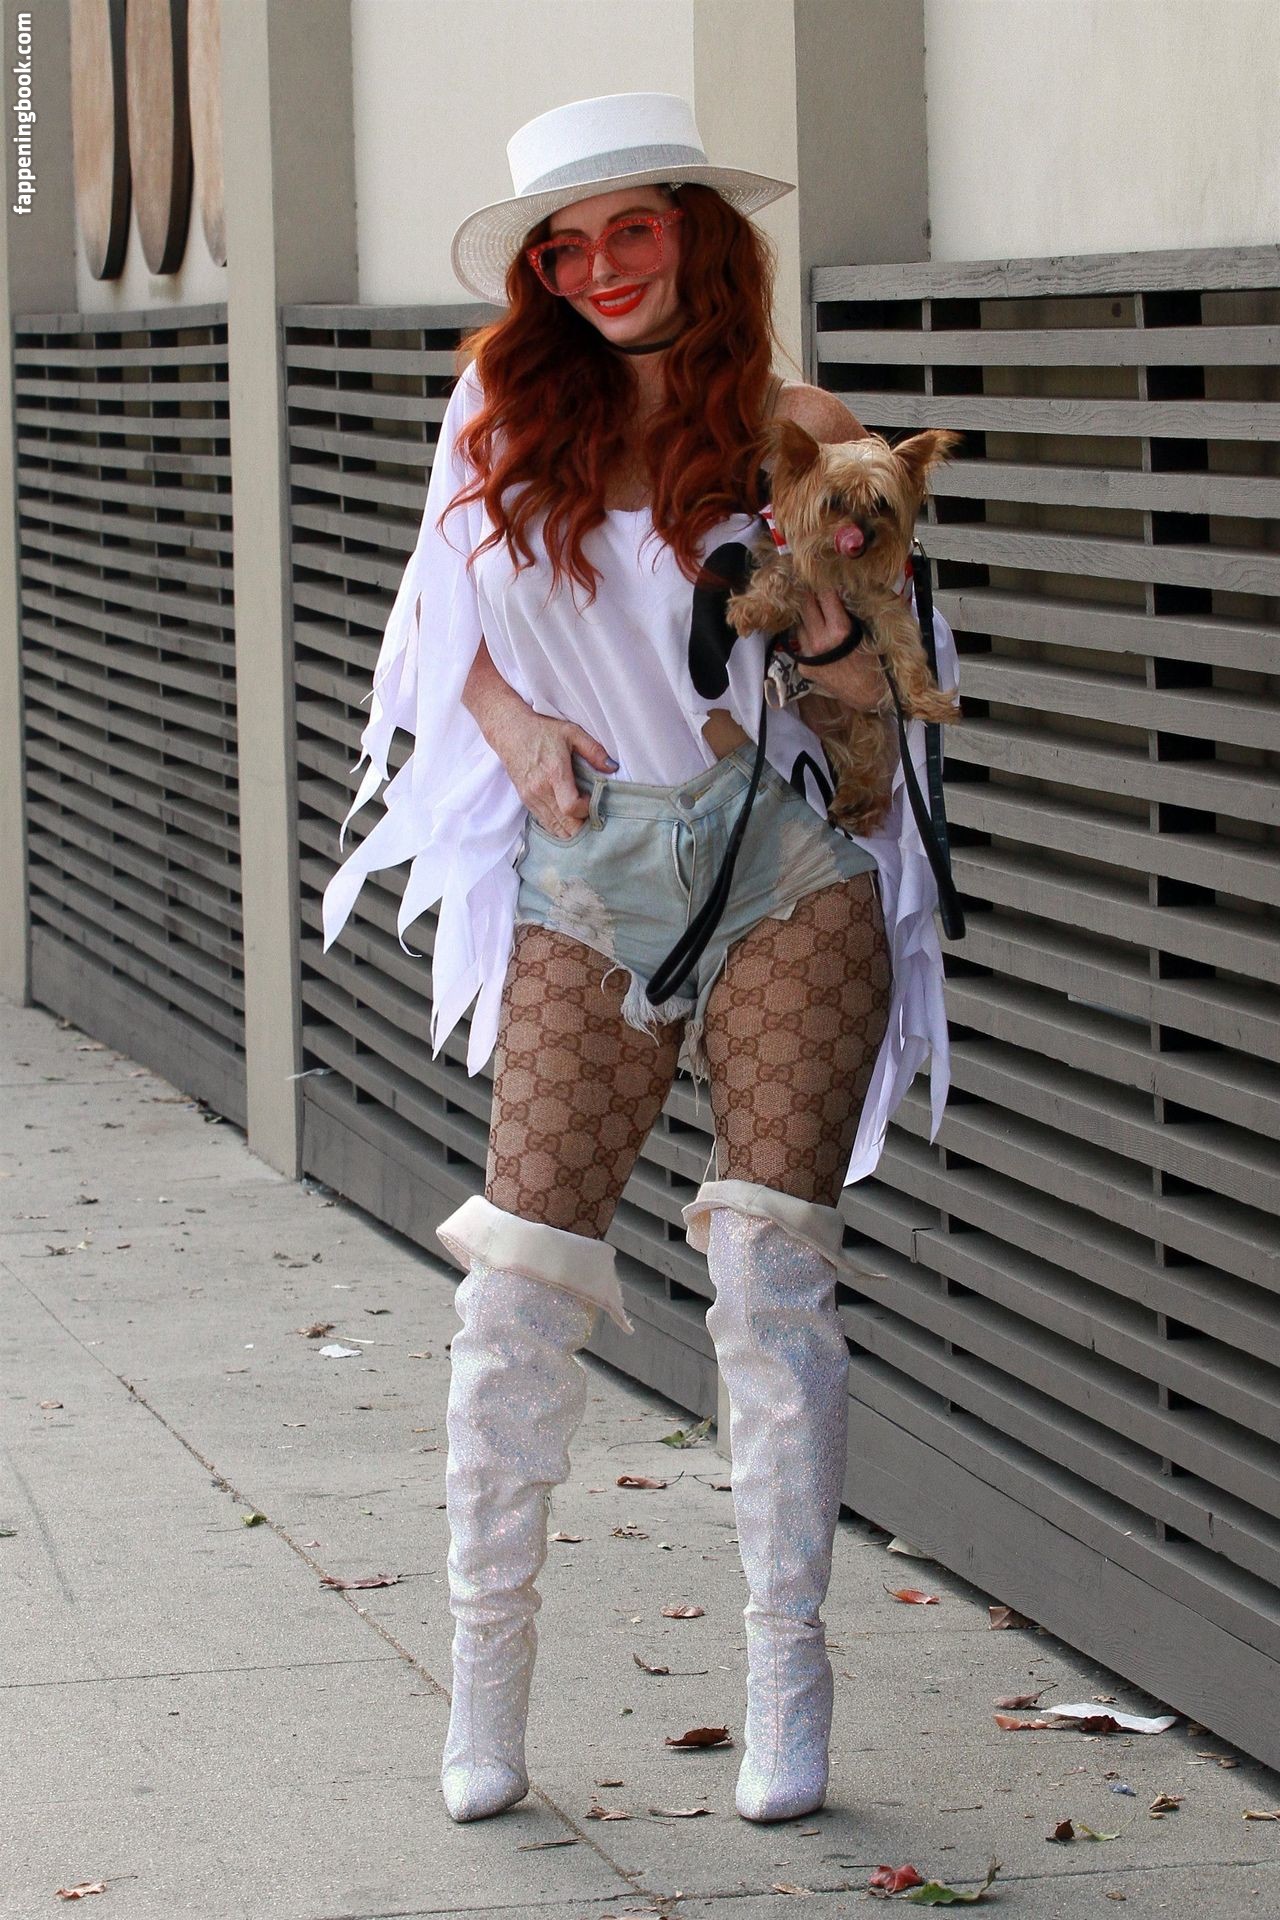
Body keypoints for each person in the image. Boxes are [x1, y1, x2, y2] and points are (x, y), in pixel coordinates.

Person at [322, 92, 956, 1827]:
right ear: (539, 271)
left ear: (697, 235)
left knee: (770, 1275)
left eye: (633, 230)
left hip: (785, 868)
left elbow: (881, 730)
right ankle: (485, 1688)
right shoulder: (499, 410)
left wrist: (821, 617)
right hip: (590, 869)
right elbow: (436, 626)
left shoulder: (799, 429)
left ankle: (787, 1685)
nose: (601, 268)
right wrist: (518, 729)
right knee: (519, 1279)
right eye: (566, 247)